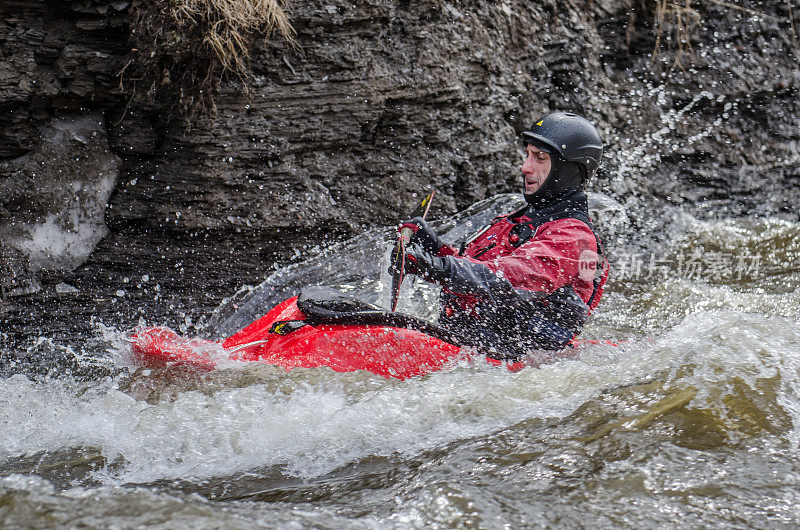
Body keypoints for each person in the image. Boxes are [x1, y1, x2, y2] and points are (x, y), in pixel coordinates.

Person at [399, 111, 609, 359]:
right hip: (472, 346)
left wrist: (437, 267)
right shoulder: (524, 219)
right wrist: (436, 249)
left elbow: (509, 279)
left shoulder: (573, 236)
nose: (525, 167)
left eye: (539, 158)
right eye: (528, 155)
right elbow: (483, 269)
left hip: (514, 363)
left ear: (568, 170)